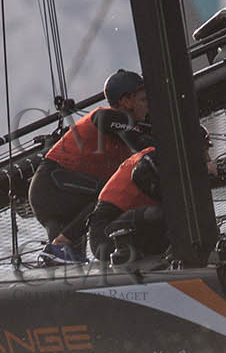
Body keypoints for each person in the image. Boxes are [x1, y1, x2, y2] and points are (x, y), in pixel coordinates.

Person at [28, 69, 154, 264]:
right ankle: (59, 245)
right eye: (144, 100)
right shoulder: (110, 117)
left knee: (70, 264)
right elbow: (140, 141)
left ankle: (57, 247)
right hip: (53, 184)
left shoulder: (126, 136)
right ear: (126, 101)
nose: (148, 107)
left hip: (63, 196)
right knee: (108, 197)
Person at [87, 148, 167, 264]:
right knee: (161, 213)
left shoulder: (160, 154)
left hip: (130, 224)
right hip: (105, 237)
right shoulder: (153, 159)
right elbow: (140, 175)